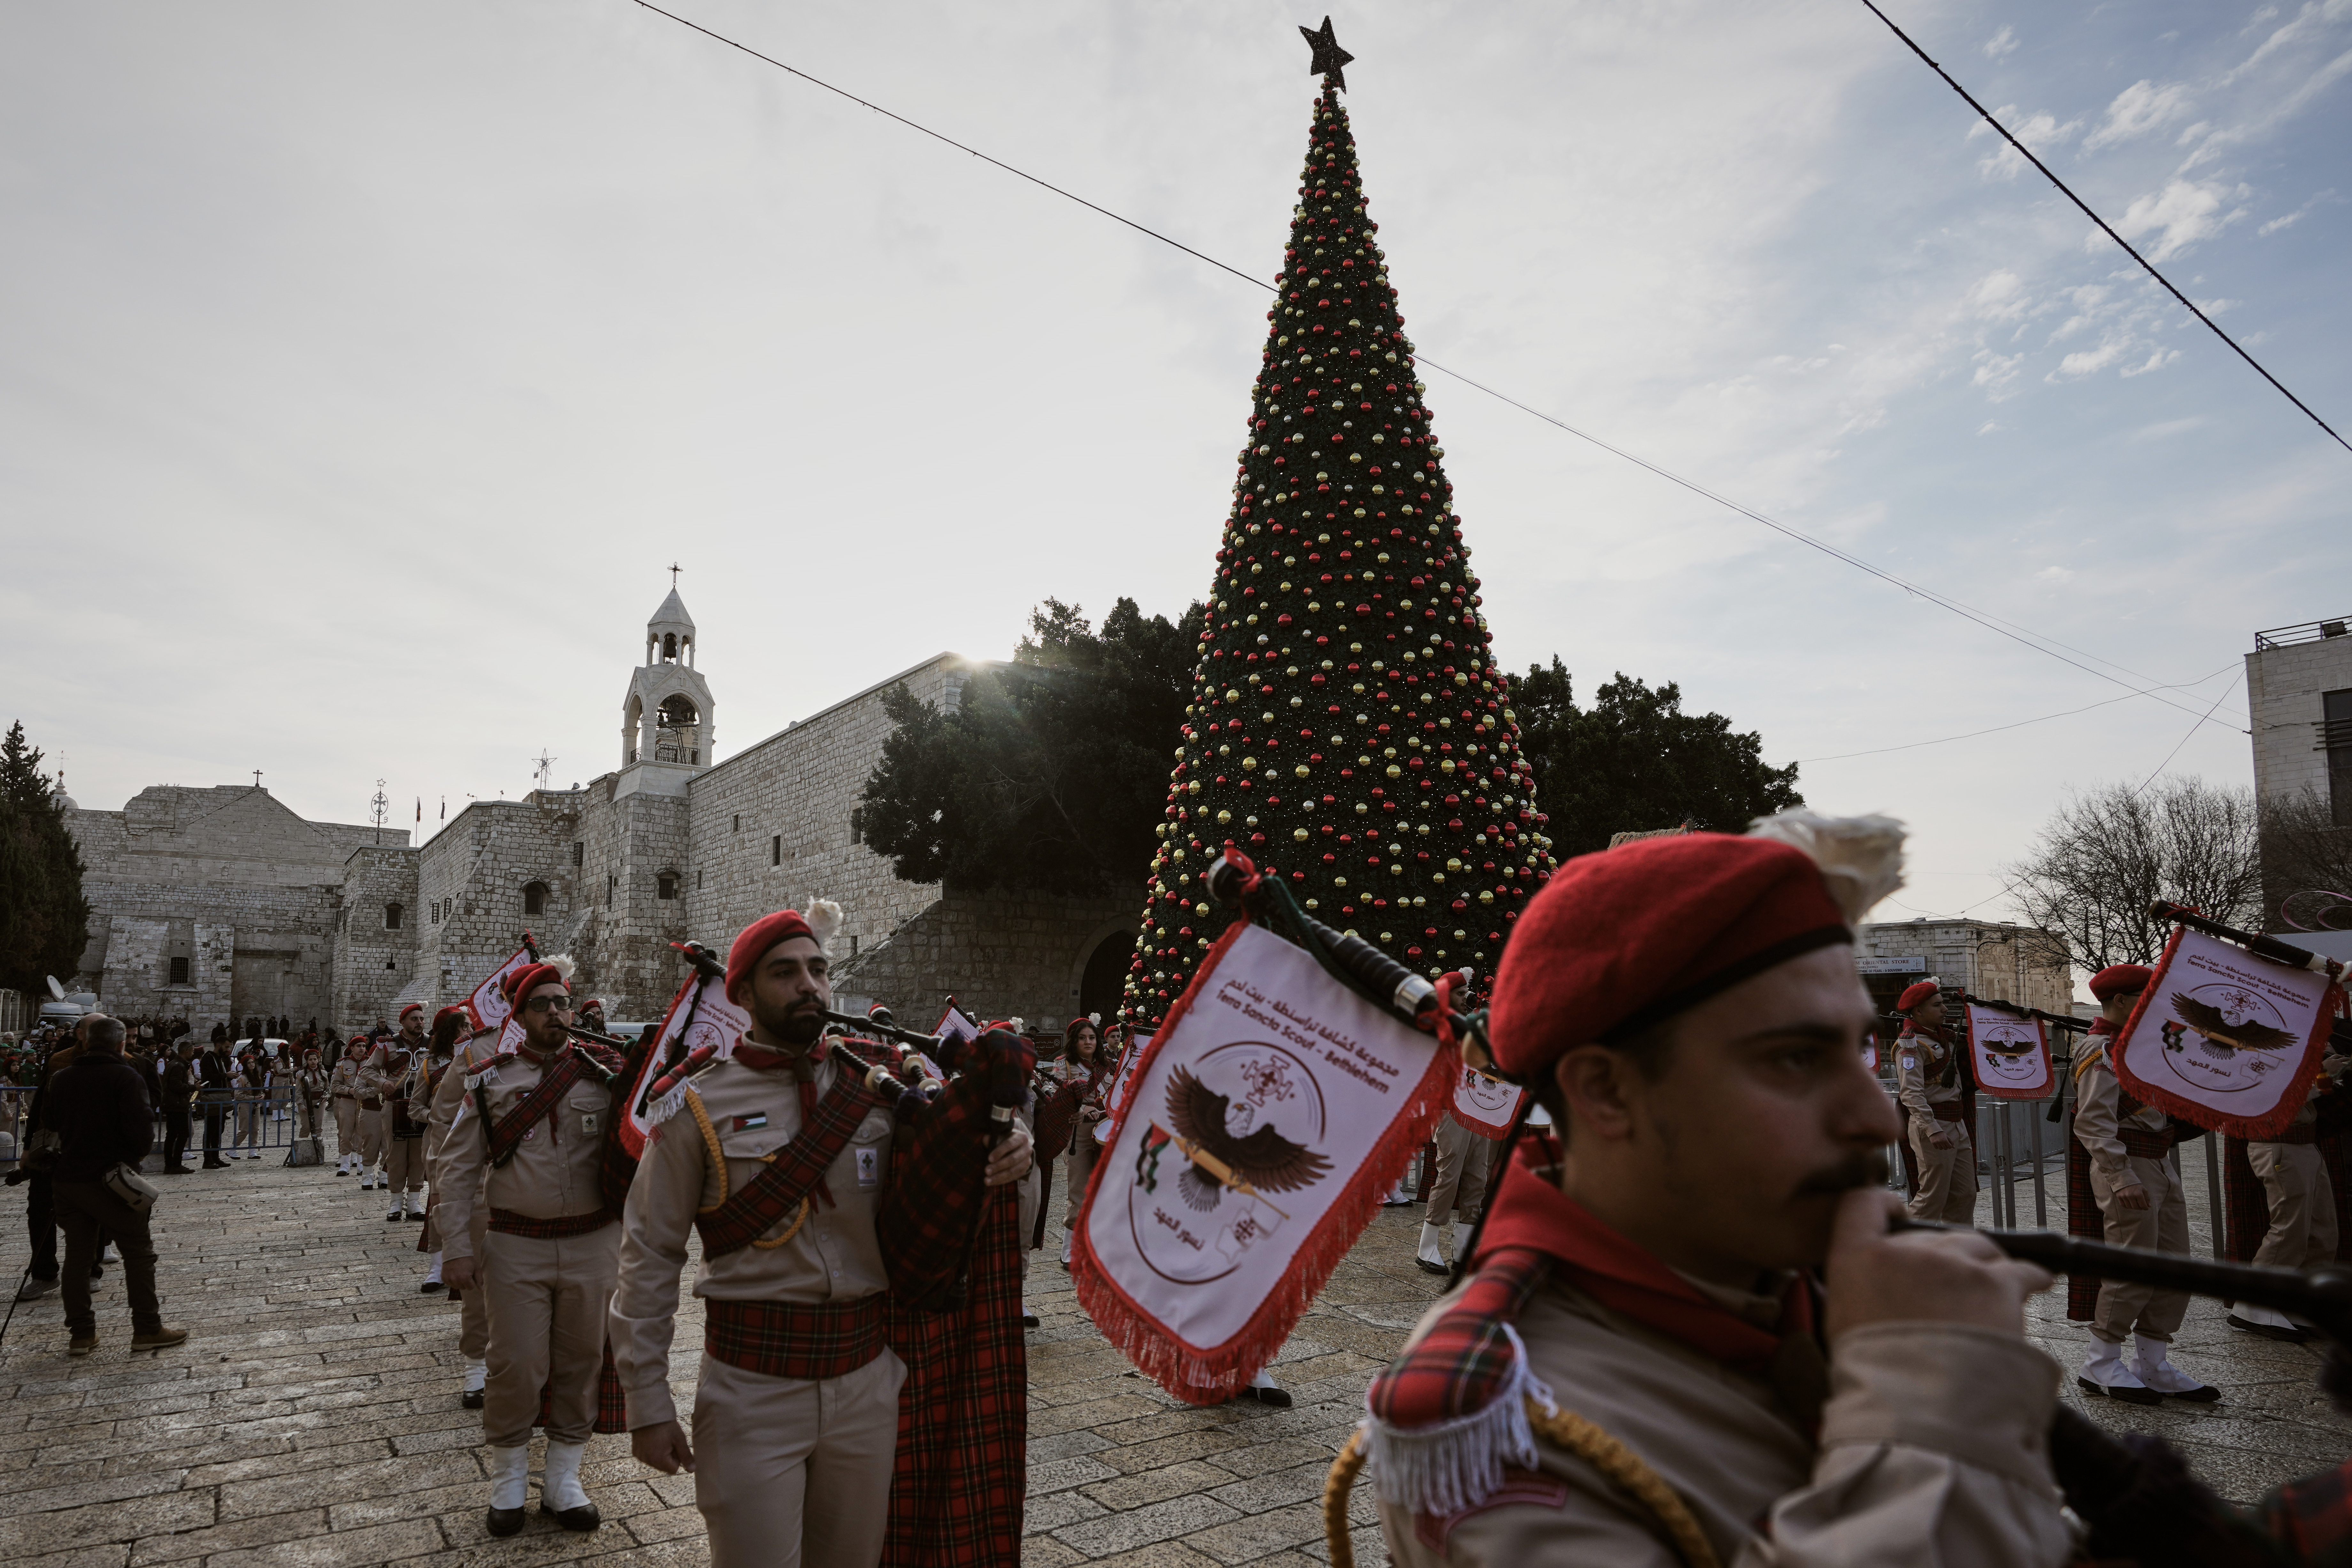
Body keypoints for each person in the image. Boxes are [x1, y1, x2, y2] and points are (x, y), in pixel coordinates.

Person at [1362, 814, 2079, 1566]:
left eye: (1854, 1049)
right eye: (1795, 1059)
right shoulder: (1499, 1419)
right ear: (1606, 1091)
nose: (1875, 1118)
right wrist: (1930, 1402)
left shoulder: (1802, 1287)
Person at [610, 904, 1036, 1568]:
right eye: (785, 973)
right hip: (752, 1387)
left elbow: (960, 1131)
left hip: (866, 1380)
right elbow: (649, 1255)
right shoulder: (693, 1103)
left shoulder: (881, 1080)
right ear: (743, 994)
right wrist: (647, 1402)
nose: (809, 985)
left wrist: (1017, 1142)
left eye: (818, 970)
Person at [437, 959, 624, 1537]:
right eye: (540, 1004)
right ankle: (509, 1479)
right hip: (517, 1242)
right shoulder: (489, 1080)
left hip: (593, 1242)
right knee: (516, 1363)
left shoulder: (605, 1075)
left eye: (561, 1002)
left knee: (582, 1362)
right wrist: (455, 1247)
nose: (555, 1012)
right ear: (519, 1016)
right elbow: (456, 1169)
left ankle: (564, 1479)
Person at [2071, 963, 2218, 1404]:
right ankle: (2100, 1362)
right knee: (2132, 1266)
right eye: (2146, 996)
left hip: (2156, 1159)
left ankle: (2152, 1364)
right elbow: (2093, 1122)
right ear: (2120, 1001)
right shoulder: (2102, 1049)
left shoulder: (2135, 1046)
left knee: (2173, 1265)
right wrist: (2120, 1177)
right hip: (2129, 1163)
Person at [41, 1015, 188, 1358]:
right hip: (112, 1180)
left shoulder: (62, 1078)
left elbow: (50, 1121)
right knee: (138, 1253)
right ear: (122, 1044)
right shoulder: (126, 1076)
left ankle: (81, 1335)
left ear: (87, 1041)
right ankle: (147, 1328)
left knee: (77, 1257)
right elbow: (142, 1134)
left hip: (69, 1179)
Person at [1891, 980, 1975, 1224]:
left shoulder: (1943, 1037)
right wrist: (1933, 1129)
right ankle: (1910, 1244)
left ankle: (1957, 1244)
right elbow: (1911, 1093)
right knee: (1932, 1197)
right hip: (1934, 1125)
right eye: (1937, 1005)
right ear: (1918, 1011)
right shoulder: (1911, 1045)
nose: (1945, 1009)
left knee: (1965, 1194)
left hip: (1956, 1122)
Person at [1415, 1101, 1496, 1275]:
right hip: (1451, 1107)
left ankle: (1464, 1248)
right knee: (1449, 1178)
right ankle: (1427, 1248)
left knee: (1477, 1179)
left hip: (1480, 1110)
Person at [1059, 1017, 1111, 1268]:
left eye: (1092, 1037)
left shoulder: (1108, 1066)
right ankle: (1069, 1250)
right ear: (1075, 1041)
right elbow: (1056, 1097)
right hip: (1078, 1132)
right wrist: (1080, 1108)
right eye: (1082, 1038)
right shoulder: (1064, 1065)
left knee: (1104, 1189)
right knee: (1079, 1189)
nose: (1088, 1042)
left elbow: (1117, 1096)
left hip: (1105, 1131)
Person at [369, 1042, 426, 1220]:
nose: (418, 1026)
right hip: (395, 1104)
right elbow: (367, 1071)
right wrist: (383, 1082)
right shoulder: (388, 1046)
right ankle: (396, 1201)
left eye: (421, 1023)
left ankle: (414, 1201)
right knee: (395, 1155)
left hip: (421, 1105)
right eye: (414, 1023)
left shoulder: (430, 1045)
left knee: (419, 1154)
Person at [197, 1030, 237, 1170]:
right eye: (226, 1047)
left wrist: (228, 1076)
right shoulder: (208, 1058)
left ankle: (215, 1157)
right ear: (218, 1045)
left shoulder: (221, 1059)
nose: (228, 1050)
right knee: (211, 1130)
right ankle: (207, 1159)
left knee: (219, 1129)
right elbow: (208, 1076)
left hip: (220, 1098)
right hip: (212, 1098)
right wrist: (226, 1075)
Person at [330, 1039, 367, 1178]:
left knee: (362, 1133)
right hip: (347, 1101)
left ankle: (361, 1164)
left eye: (364, 1046)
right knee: (345, 1133)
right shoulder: (343, 1064)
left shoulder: (370, 1062)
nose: (362, 1049)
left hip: (364, 1102)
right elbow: (335, 1085)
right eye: (359, 1046)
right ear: (352, 1048)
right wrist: (349, 1090)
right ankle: (345, 1164)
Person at [160, 1041, 197, 1175]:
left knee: (172, 1135)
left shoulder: (174, 1064)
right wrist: (194, 1087)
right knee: (183, 1134)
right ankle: (176, 1164)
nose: (193, 1053)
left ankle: (169, 1165)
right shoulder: (178, 1066)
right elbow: (176, 1086)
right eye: (192, 1051)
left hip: (172, 1105)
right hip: (177, 1105)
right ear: (187, 1051)